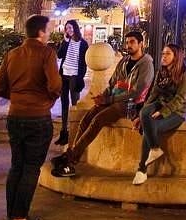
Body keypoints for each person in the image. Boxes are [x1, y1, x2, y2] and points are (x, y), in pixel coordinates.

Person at [0, 14, 62, 220]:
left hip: (16, 116)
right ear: (41, 32)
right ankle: (20, 218)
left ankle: (12, 216)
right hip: (37, 118)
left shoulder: (12, 54)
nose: (49, 33)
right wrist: (46, 101)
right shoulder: (46, 53)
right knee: (31, 167)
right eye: (48, 29)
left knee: (17, 166)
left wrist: (18, 98)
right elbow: (55, 85)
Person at [51, 30, 154, 177]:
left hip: (131, 105)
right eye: (127, 42)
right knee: (87, 117)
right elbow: (113, 82)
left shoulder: (146, 64)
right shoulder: (124, 61)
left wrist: (109, 100)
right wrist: (103, 97)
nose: (128, 45)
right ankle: (70, 154)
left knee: (98, 120)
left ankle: (71, 160)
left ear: (141, 44)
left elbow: (136, 92)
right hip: (115, 99)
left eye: (132, 42)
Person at [132, 43, 186, 185]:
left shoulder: (184, 73)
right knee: (145, 112)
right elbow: (154, 93)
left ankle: (142, 169)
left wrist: (162, 113)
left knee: (149, 129)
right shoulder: (161, 72)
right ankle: (155, 148)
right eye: (163, 53)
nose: (163, 56)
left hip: (177, 111)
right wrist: (141, 116)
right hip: (161, 104)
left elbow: (180, 99)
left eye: (167, 54)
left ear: (176, 56)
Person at [54, 19, 88, 146]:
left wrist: (80, 77)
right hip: (64, 75)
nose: (69, 30)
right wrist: (65, 41)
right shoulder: (66, 42)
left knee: (75, 104)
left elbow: (84, 64)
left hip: (75, 76)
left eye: (70, 27)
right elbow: (59, 55)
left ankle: (74, 133)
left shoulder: (83, 43)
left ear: (75, 28)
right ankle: (64, 133)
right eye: (67, 28)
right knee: (64, 103)